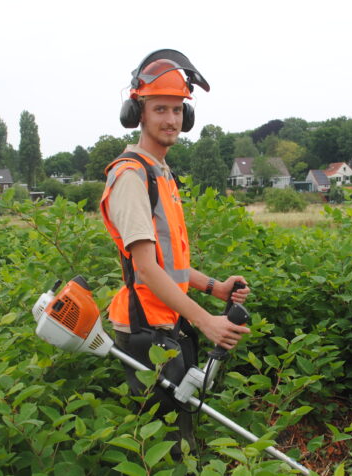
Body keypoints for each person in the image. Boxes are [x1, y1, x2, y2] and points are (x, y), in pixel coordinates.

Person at [99, 49, 251, 458]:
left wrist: (213, 287)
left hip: (168, 324)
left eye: (178, 109)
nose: (171, 119)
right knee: (168, 446)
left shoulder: (162, 173)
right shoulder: (132, 176)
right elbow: (146, 270)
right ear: (138, 113)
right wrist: (207, 322)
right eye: (159, 108)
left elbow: (171, 261)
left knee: (182, 425)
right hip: (146, 329)